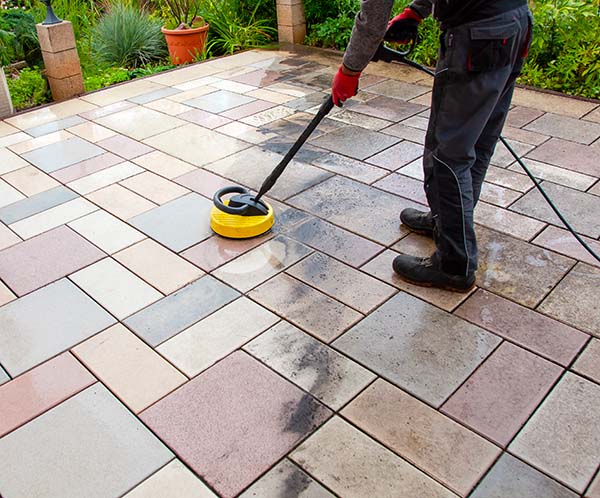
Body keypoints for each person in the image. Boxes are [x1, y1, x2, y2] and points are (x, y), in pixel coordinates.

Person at [331, 0, 532, 292]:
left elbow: (372, 18)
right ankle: (448, 222)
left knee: (449, 155)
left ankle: (454, 265)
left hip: (480, 35)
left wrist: (349, 71)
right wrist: (416, 11)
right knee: (477, 139)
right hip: (514, 22)